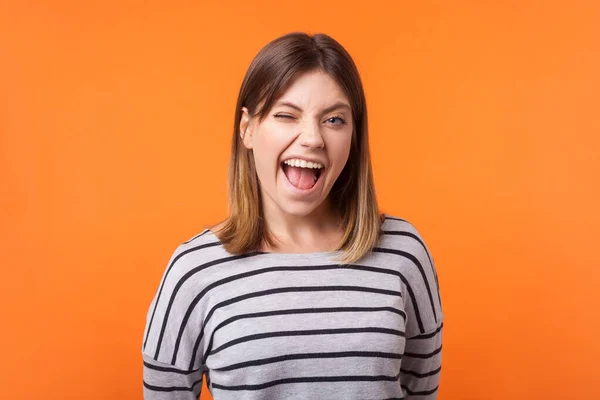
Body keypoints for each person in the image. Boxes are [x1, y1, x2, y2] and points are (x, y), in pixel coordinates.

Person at [141, 31, 443, 400]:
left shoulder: (403, 252)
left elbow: (420, 387)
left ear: (354, 136)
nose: (312, 138)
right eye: (286, 115)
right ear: (247, 129)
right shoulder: (194, 269)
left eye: (334, 120)